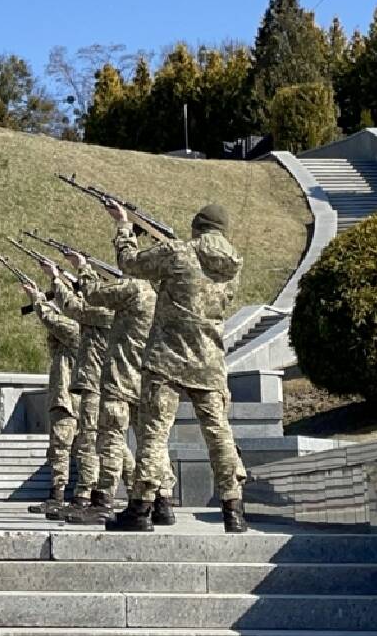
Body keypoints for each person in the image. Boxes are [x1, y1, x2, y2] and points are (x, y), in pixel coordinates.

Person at [105, 203, 249, 533]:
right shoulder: (232, 265)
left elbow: (129, 264)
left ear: (197, 226)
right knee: (219, 435)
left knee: (154, 433)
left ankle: (140, 509)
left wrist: (125, 228)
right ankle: (234, 508)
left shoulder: (177, 253)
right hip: (209, 360)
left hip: (167, 358)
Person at [58, 252, 148, 525]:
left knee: (101, 440)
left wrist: (57, 283)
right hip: (117, 381)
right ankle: (139, 495)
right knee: (118, 442)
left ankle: (95, 498)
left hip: (108, 382)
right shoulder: (133, 307)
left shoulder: (109, 310)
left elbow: (76, 309)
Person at [47, 263, 113, 520]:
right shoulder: (92, 323)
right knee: (112, 444)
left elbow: (62, 317)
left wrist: (49, 289)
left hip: (88, 392)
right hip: (93, 389)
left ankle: (83, 496)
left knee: (88, 443)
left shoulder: (86, 322)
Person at [20, 280, 81, 518]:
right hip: (78, 398)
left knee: (60, 448)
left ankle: (58, 495)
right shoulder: (90, 327)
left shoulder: (77, 328)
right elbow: (54, 337)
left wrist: (38, 299)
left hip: (68, 398)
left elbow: (53, 322)